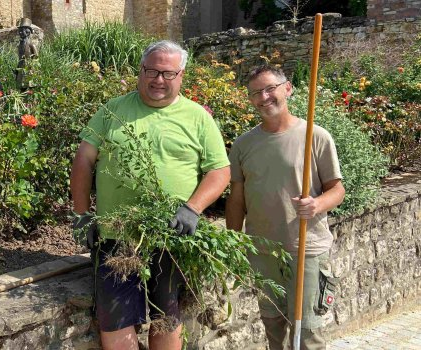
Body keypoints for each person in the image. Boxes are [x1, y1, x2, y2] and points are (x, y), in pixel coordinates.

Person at [70, 40, 231, 350]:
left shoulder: (198, 117)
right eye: (152, 71)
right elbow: (84, 159)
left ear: (181, 75)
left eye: (168, 74)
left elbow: (219, 171)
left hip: (172, 235)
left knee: (167, 316)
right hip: (116, 237)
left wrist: (192, 209)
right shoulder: (112, 111)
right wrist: (81, 214)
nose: (159, 80)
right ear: (140, 72)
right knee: (115, 319)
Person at [225, 64, 345, 350]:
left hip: (306, 249)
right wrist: (232, 242)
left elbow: (337, 189)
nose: (264, 97)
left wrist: (316, 204)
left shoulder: (315, 136)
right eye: (256, 93)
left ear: (287, 89)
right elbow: (237, 198)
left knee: (308, 335)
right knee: (273, 329)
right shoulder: (243, 145)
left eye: (270, 89)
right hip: (263, 252)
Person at [15, 18, 38, 90]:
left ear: (28, 31)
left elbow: (36, 56)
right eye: (20, 31)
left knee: (29, 86)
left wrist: (31, 67)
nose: (20, 33)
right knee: (20, 86)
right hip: (21, 68)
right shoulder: (20, 45)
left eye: (22, 30)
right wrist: (17, 69)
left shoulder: (31, 45)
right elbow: (19, 58)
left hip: (28, 68)